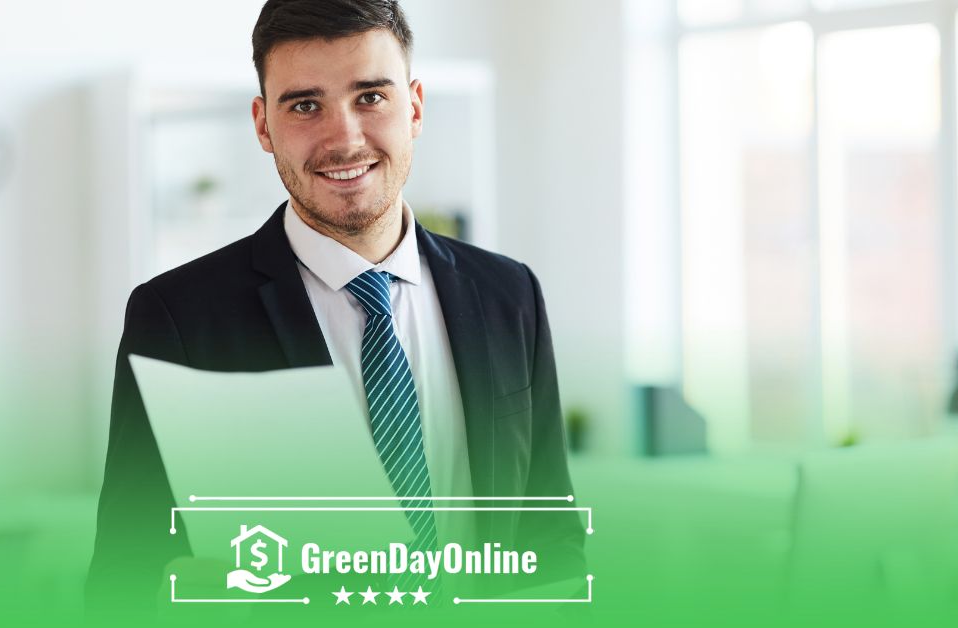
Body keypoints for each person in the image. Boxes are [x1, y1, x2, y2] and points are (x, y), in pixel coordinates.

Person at [86, 0, 586, 613]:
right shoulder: (179, 316)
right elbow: (123, 574)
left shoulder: (510, 295)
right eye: (304, 105)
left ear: (415, 106)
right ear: (264, 125)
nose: (344, 138)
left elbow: (551, 536)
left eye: (371, 97)